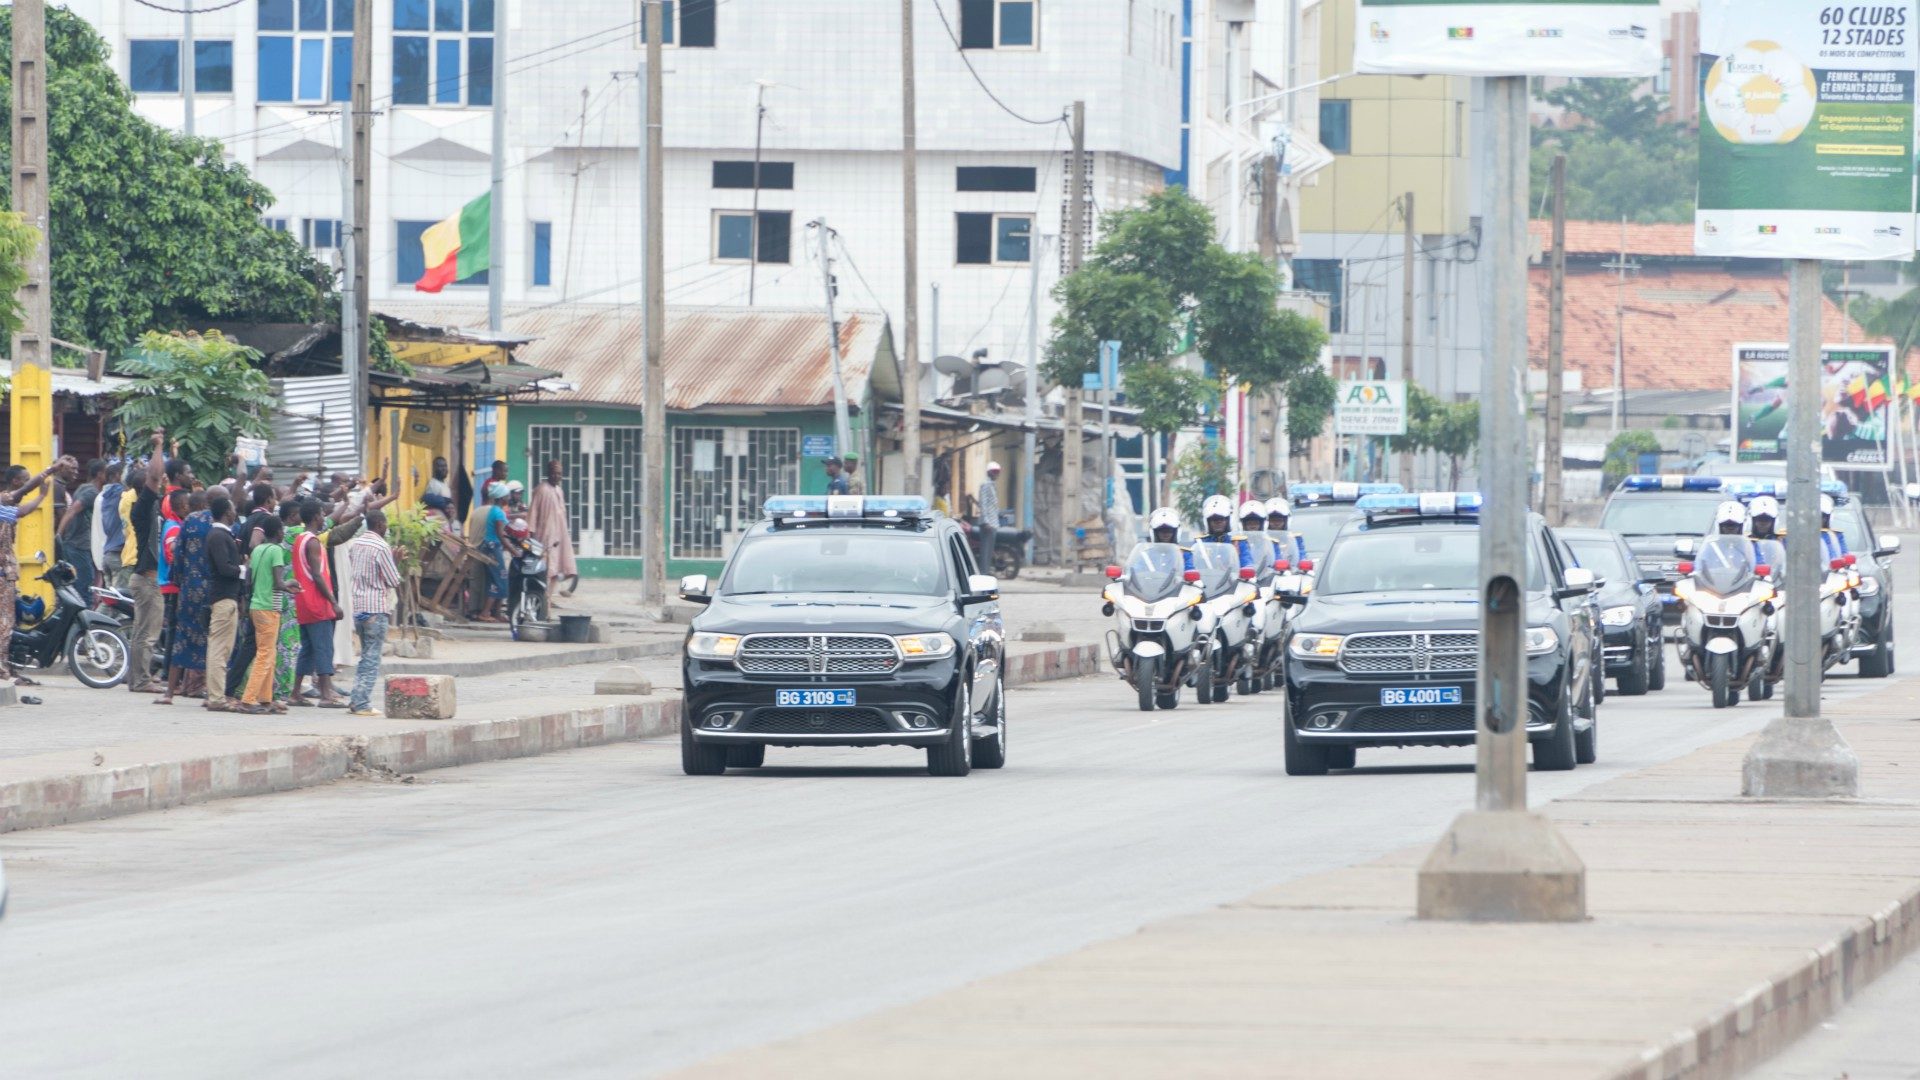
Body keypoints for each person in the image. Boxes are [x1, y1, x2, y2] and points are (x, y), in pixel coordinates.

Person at [0, 459, 67, 686]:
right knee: (5, 623)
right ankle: (2, 670)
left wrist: (40, 496)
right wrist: (51, 472)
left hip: (7, 573)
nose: (26, 485)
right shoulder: (2, 499)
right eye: (24, 480)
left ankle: (9, 666)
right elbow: (22, 501)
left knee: (10, 622)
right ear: (15, 481)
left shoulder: (6, 507)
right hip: (2, 573)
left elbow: (20, 509)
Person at [345, 508, 403, 716]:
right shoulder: (381, 547)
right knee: (371, 657)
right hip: (375, 607)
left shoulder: (356, 544)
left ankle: (356, 699)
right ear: (379, 524)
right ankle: (361, 703)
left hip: (358, 605)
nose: (386, 528)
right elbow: (393, 580)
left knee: (365, 655)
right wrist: (396, 563)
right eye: (385, 524)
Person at [125, 433, 168, 693]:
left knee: (141, 632)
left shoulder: (151, 509)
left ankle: (137, 679)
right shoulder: (141, 508)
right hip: (147, 580)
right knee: (146, 634)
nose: (160, 482)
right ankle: (141, 680)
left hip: (148, 578)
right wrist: (158, 446)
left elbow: (157, 476)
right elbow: (154, 475)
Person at [242, 514, 294, 715]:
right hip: (269, 607)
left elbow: (248, 578)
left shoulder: (257, 550)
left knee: (269, 653)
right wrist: (291, 585)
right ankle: (248, 699)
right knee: (265, 654)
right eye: (282, 530)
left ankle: (265, 699)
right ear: (278, 532)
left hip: (256, 605)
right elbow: (279, 583)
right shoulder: (276, 551)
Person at [204, 491, 244, 712]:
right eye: (233, 509)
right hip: (223, 598)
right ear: (227, 512)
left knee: (220, 649)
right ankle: (217, 698)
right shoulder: (219, 536)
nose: (235, 511)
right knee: (219, 650)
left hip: (224, 598)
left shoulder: (220, 535)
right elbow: (224, 567)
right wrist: (243, 569)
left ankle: (215, 694)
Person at [154, 489, 195, 706]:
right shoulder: (174, 528)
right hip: (171, 586)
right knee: (173, 634)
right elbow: (172, 556)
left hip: (171, 585)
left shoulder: (176, 525)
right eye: (186, 505)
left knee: (173, 632)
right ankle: (168, 676)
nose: (189, 508)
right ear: (179, 507)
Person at [528, 459, 579, 593]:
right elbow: (532, 513)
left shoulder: (559, 491)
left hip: (558, 537)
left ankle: (548, 599)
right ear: (548, 473)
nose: (557, 476)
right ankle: (542, 600)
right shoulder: (541, 490)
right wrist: (531, 535)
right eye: (554, 473)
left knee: (557, 569)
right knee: (546, 569)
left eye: (559, 474)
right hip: (544, 537)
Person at [56, 459, 104, 598]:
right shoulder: (91, 493)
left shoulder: (84, 487)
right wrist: (59, 535)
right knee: (84, 587)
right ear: (100, 474)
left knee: (77, 586)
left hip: (75, 544)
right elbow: (72, 511)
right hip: (78, 545)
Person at [1197, 494, 1253, 571]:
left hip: (1233, 581)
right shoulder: (1200, 543)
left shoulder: (1238, 542)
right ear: (1208, 522)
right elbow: (1194, 565)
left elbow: (1246, 562)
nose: (1218, 523)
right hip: (1206, 580)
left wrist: (1247, 570)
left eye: (1221, 519)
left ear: (1228, 520)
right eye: (1214, 520)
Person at [976, 462, 1002, 567]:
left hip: (993, 522)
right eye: (995, 472)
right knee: (986, 552)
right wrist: (986, 522)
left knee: (989, 551)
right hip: (988, 524)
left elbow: (992, 505)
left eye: (998, 472)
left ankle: (986, 571)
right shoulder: (985, 485)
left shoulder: (992, 485)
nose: (997, 474)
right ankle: (983, 573)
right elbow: (983, 503)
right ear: (989, 473)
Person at [1265, 498, 1307, 564]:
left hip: (1291, 572)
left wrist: (1303, 563)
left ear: (1286, 521)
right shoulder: (1262, 539)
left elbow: (1301, 555)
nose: (1276, 523)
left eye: (1279, 520)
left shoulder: (1295, 539)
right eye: (1273, 520)